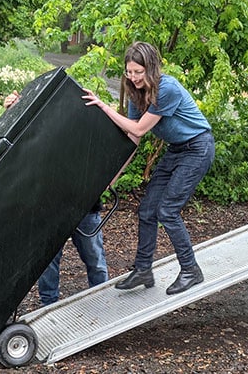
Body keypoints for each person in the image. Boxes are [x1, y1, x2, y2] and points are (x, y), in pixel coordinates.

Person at [82, 41, 215, 295]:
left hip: (198, 148)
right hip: (176, 149)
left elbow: (140, 128)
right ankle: (143, 269)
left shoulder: (167, 89)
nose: (132, 78)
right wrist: (113, 178)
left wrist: (103, 106)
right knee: (147, 209)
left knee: (168, 211)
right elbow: (133, 139)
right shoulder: (138, 93)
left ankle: (190, 270)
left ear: (151, 68)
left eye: (138, 72)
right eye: (129, 72)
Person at [3, 91, 109, 306]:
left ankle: (102, 298)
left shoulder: (84, 130)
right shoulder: (40, 131)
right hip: (49, 208)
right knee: (47, 262)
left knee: (94, 257)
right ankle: (48, 305)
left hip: (84, 206)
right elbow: (16, 142)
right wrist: (12, 111)